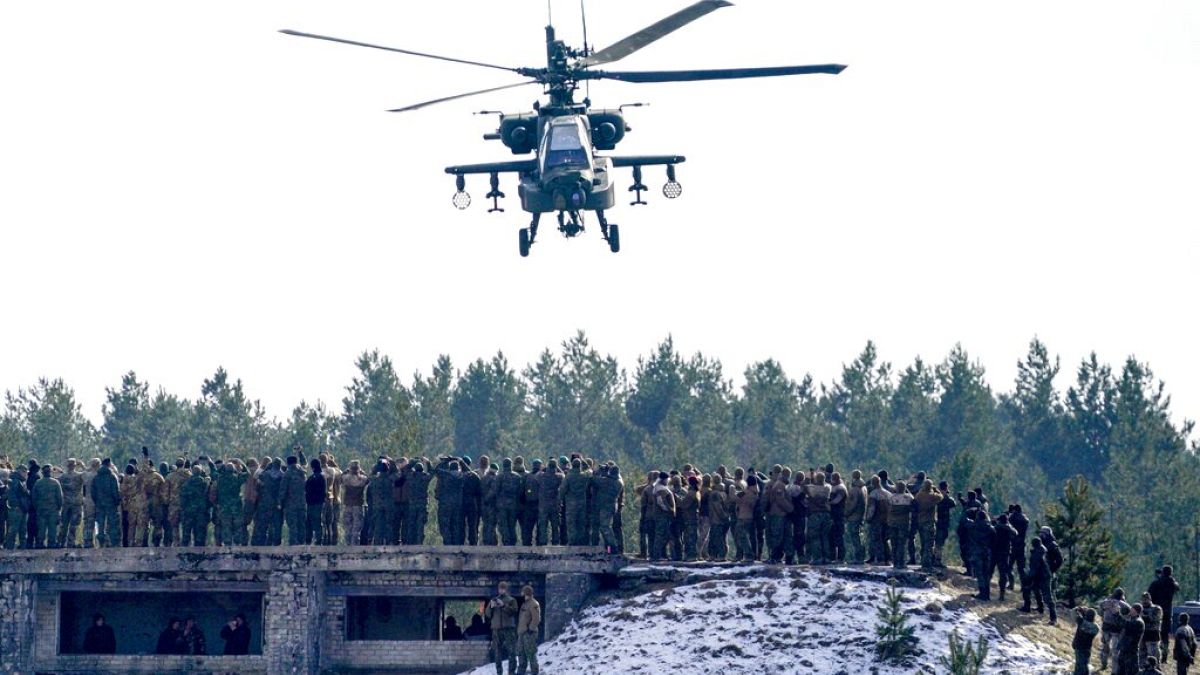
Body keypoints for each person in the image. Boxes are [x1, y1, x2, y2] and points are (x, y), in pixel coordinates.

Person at [485, 581, 519, 675]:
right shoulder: (494, 600)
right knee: (497, 652)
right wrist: (491, 607)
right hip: (496, 629)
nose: (501, 590)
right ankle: (499, 672)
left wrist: (503, 605)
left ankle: (511, 672)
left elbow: (513, 612)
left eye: (503, 588)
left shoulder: (512, 600)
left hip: (508, 629)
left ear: (506, 589)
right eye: (500, 588)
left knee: (512, 651)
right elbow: (488, 615)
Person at [1150, 566, 1181, 661]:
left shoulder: (1156, 583)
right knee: (1165, 635)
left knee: (1155, 633)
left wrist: (1159, 578)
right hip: (1168, 612)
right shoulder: (1172, 584)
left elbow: (1149, 595)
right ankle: (1164, 656)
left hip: (1156, 612)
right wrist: (1168, 577)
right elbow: (1177, 587)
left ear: (1162, 573)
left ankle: (1154, 654)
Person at [1100, 589, 1132, 671]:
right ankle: (1114, 670)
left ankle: (1103, 664)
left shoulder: (1106, 602)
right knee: (1115, 651)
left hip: (1106, 627)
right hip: (1116, 629)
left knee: (1105, 647)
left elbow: (1101, 608)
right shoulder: (1123, 604)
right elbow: (1130, 613)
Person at [517, 584, 541, 675]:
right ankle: (520, 672)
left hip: (529, 633)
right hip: (522, 633)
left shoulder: (534, 604)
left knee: (531, 653)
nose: (522, 594)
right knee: (521, 654)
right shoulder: (525, 604)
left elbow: (536, 619)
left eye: (523, 592)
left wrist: (530, 629)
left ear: (526, 593)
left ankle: (535, 672)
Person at [1116, 604, 1146, 675]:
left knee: (1131, 671)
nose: (1130, 611)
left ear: (1136, 611)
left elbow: (1127, 625)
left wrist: (1117, 614)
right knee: (1120, 671)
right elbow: (1119, 624)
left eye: (1132, 609)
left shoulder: (1139, 622)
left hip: (1131, 651)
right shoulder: (1131, 619)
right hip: (1124, 650)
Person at [1142, 591, 1165, 669]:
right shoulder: (1140, 608)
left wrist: (1143, 616)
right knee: (1142, 653)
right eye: (1143, 599)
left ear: (1150, 599)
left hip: (1153, 634)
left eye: (1146, 599)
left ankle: (1155, 668)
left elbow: (1154, 618)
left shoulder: (1156, 608)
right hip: (1142, 633)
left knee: (1153, 654)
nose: (1144, 601)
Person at [1073, 606, 1099, 675]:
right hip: (1087, 647)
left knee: (1079, 664)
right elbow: (1088, 623)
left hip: (1078, 645)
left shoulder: (1081, 621)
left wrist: (1079, 609)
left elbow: (1073, 611)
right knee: (1084, 664)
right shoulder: (1096, 627)